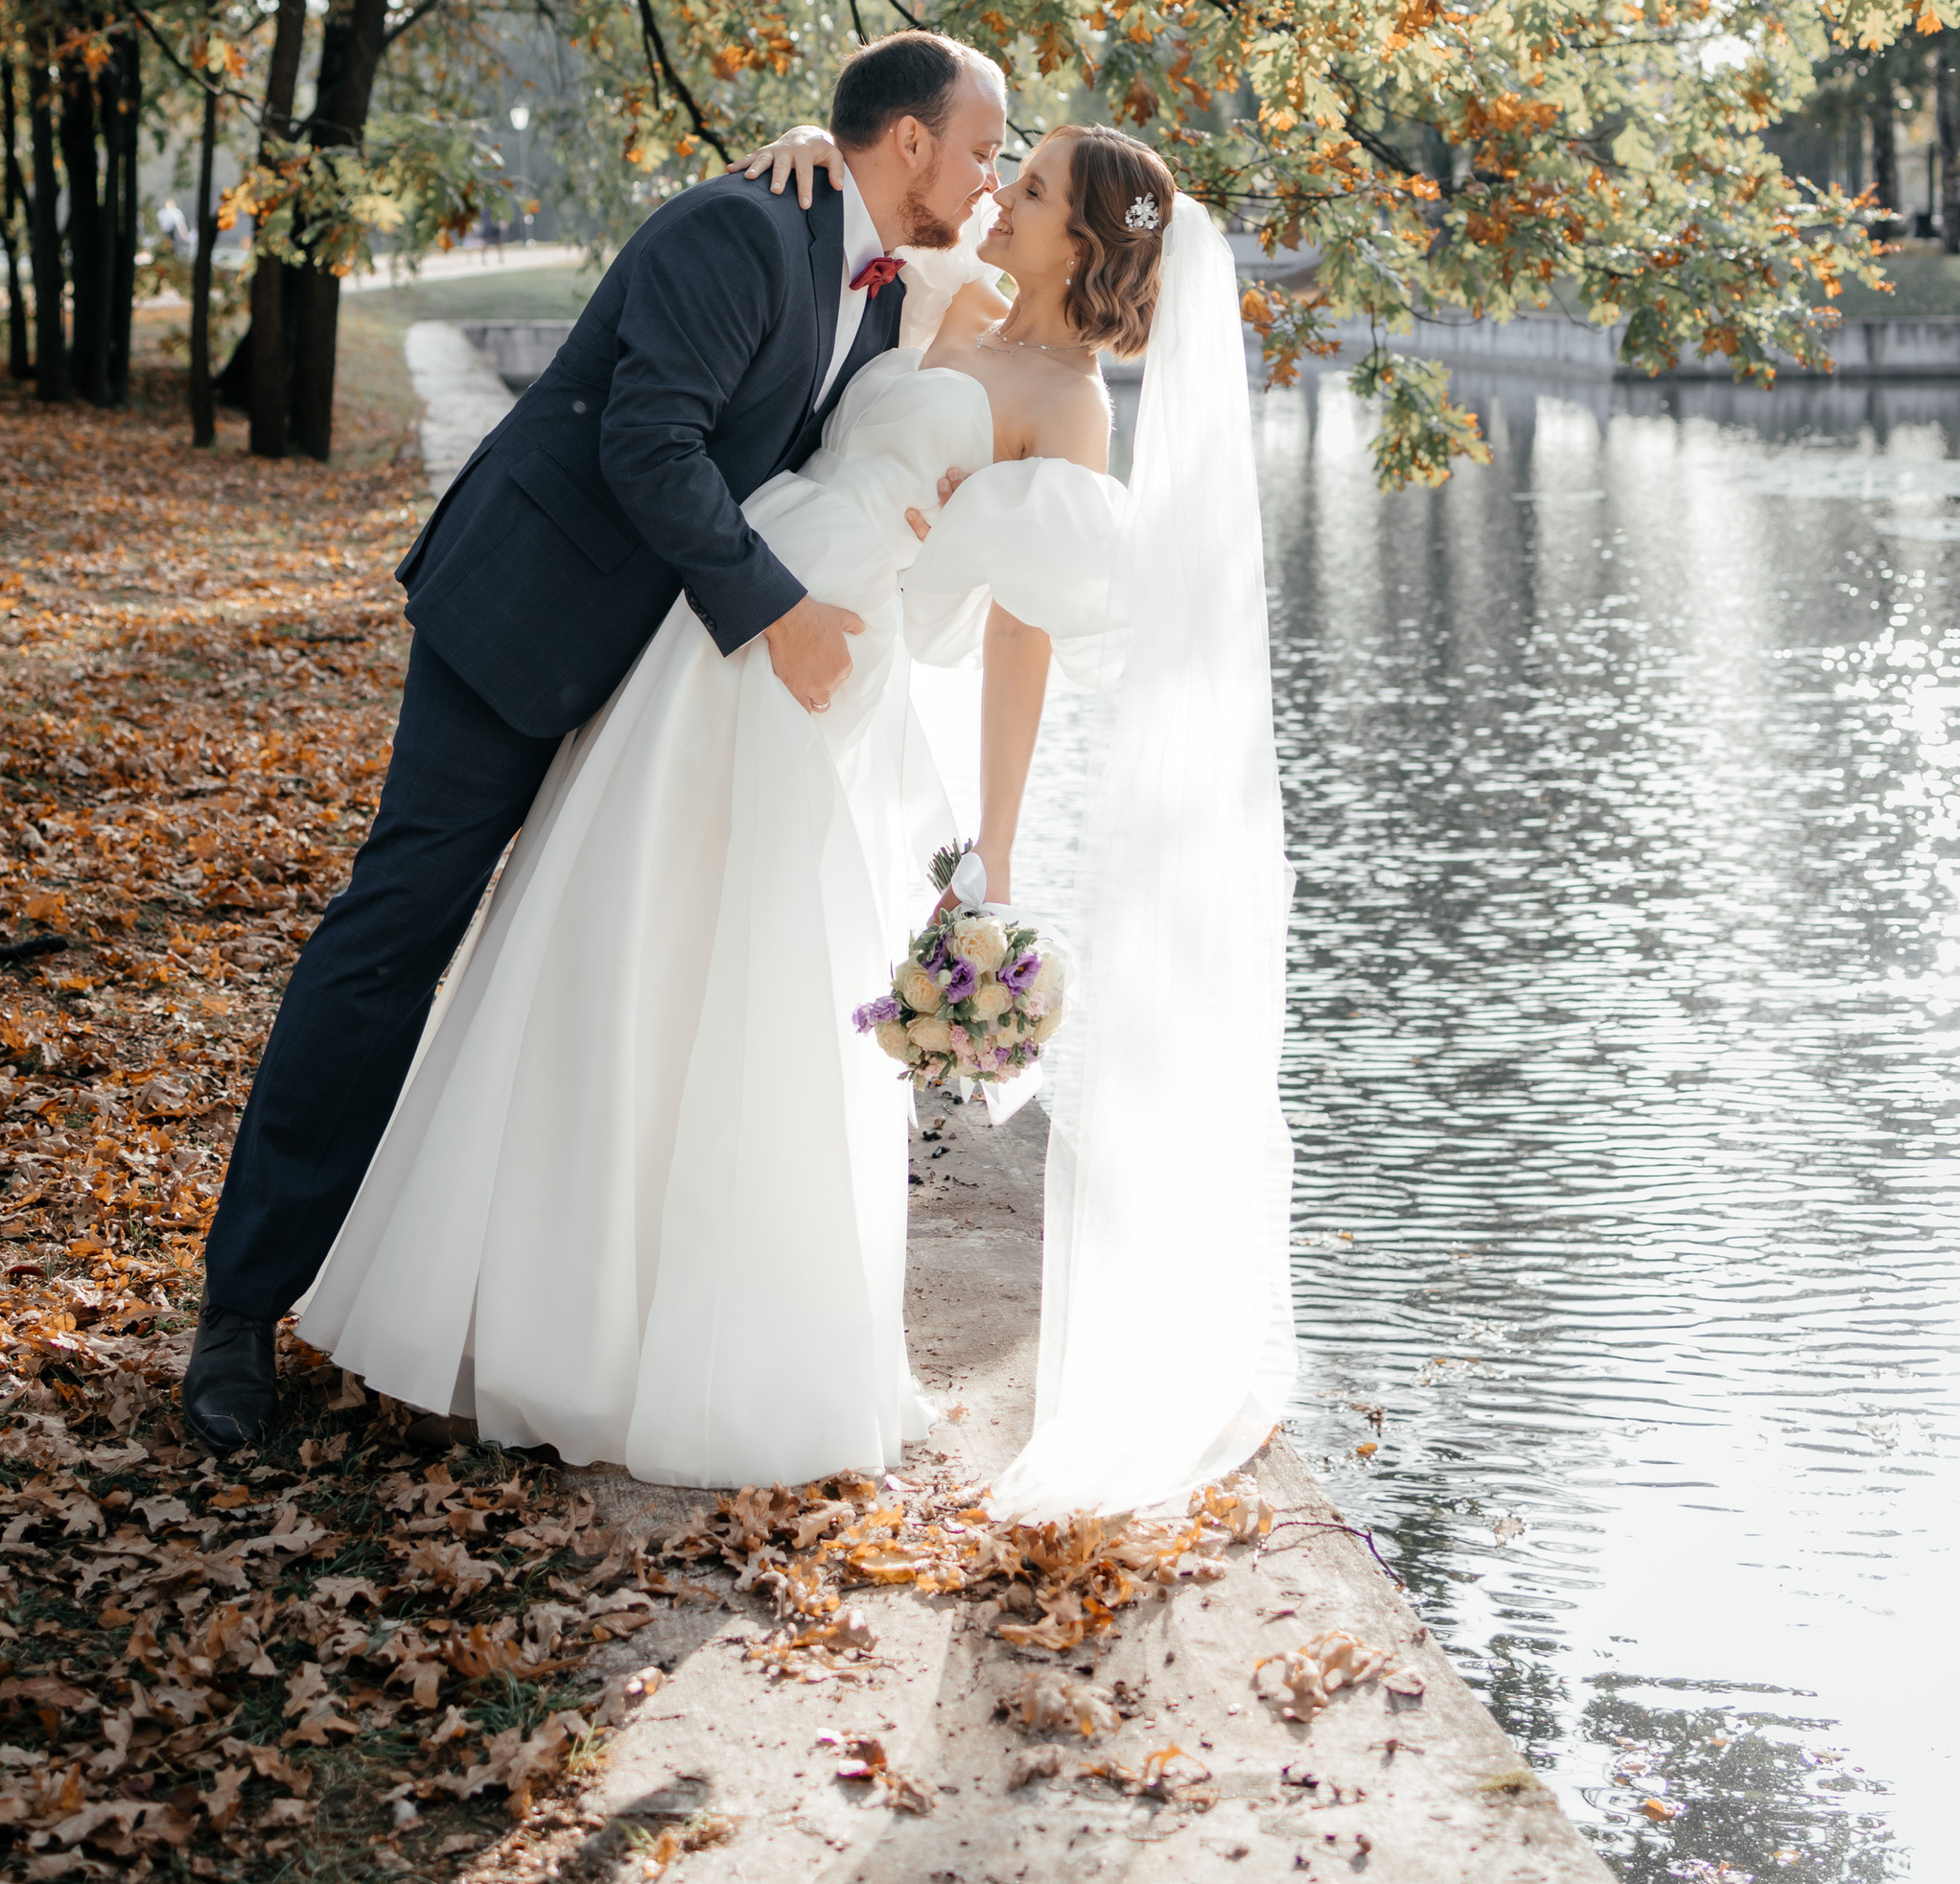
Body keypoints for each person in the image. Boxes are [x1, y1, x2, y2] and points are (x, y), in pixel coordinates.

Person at [287, 117, 1295, 1515]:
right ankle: (531, 1309)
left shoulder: (1071, 410)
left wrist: (993, 851)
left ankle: (698, 1351)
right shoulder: (946, 295)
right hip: (728, 616)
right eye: (1003, 163)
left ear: (1083, 240)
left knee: (747, 970)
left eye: (1038, 185)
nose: (1003, 189)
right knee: (610, 929)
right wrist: (811, 134)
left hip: (826, 655)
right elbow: (868, 224)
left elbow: (1023, 637)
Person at [178, 29, 1009, 1455]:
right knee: (396, 939)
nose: (993, 177)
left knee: (565, 983)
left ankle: (492, 1305)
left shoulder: (875, 291)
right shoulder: (740, 227)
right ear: (912, 142)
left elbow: (820, 454)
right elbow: (649, 443)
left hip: (656, 684)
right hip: (526, 620)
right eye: (985, 146)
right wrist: (777, 615)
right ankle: (239, 1309)